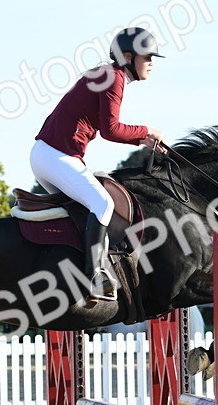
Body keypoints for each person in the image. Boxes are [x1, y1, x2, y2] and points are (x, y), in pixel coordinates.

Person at [31, 26, 165, 302]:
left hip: (48, 154)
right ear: (128, 57)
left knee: (80, 212)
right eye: (147, 57)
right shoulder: (114, 77)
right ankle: (94, 278)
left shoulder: (108, 74)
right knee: (103, 204)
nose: (151, 63)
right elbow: (111, 130)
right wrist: (146, 131)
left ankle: (63, 274)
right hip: (56, 156)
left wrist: (144, 140)